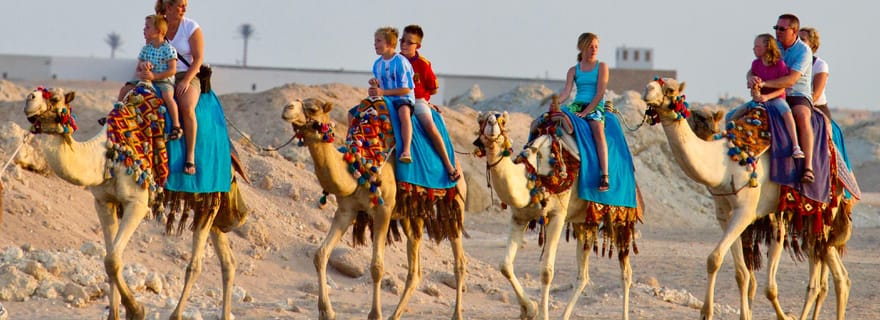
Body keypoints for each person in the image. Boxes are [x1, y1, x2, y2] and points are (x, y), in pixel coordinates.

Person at [750, 13, 814, 183]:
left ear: (794, 31)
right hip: (771, 92)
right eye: (776, 28)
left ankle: (808, 167)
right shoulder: (774, 45)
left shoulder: (803, 51)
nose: (777, 31)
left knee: (802, 116)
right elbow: (754, 67)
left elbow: (791, 79)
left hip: (797, 94)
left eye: (782, 29)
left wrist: (764, 83)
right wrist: (752, 78)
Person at [398, 25, 460, 181]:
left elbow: (433, 89)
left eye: (409, 42)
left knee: (430, 127)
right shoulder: (395, 60)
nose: (404, 44)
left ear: (418, 46)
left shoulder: (423, 64)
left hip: (417, 101)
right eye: (402, 40)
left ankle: (449, 166)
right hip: (395, 98)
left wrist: (424, 99)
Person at [552, 32, 610, 191]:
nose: (594, 49)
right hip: (577, 105)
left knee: (598, 132)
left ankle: (605, 176)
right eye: (591, 46)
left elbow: (600, 93)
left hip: (595, 106)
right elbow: (566, 92)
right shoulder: (573, 70)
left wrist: (586, 112)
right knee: (556, 123)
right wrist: (556, 102)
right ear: (582, 47)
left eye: (596, 46)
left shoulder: (602, 67)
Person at [152, 0, 202, 175]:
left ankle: (190, 156)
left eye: (185, 5)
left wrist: (186, 81)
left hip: (185, 74)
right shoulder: (158, 25)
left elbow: (198, 59)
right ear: (169, 7)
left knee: (187, 106)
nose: (184, 9)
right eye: (180, 5)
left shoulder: (190, 27)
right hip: (161, 73)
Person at [748, 33, 804, 158]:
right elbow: (754, 85)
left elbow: (783, 88)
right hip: (761, 98)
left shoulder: (779, 64)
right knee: (734, 114)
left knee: (787, 113)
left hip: (776, 98)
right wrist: (755, 90)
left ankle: (796, 146)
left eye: (757, 46)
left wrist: (767, 97)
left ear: (767, 47)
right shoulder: (755, 64)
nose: (754, 49)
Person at [368, 27, 418, 165]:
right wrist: (374, 87)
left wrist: (382, 92)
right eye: (375, 41)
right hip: (385, 99)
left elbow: (407, 88)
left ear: (389, 43)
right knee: (356, 112)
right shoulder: (377, 64)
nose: (375, 44)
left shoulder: (401, 62)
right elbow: (380, 88)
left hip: (402, 98)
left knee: (404, 112)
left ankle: (406, 150)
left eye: (378, 41)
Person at [136, 14, 183, 141]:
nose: (144, 29)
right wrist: (142, 69)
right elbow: (137, 69)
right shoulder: (146, 49)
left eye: (147, 27)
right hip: (146, 79)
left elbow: (172, 70)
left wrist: (155, 76)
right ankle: (114, 115)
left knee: (167, 97)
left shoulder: (169, 49)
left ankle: (176, 125)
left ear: (158, 31)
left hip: (164, 81)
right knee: (126, 89)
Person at [798, 27, 831, 120]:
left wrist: (801, 105)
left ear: (812, 44)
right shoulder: (789, 62)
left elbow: (815, 95)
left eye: (802, 40)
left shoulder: (820, 65)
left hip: (816, 106)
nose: (798, 43)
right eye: (797, 39)